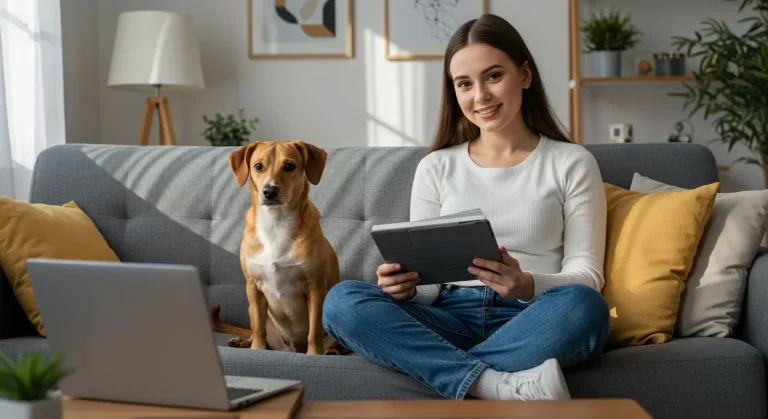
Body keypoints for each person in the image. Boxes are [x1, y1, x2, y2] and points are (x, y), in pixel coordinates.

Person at [322, 13, 610, 401]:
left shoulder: (571, 162)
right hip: (448, 317)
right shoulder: (437, 166)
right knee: (342, 302)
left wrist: (526, 284)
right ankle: (495, 386)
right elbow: (429, 289)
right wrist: (406, 290)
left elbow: (587, 275)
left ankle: (449, 375)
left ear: (524, 75)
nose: (481, 96)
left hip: (533, 317)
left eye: (493, 76)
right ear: (454, 92)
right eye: (464, 84)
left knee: (585, 306)